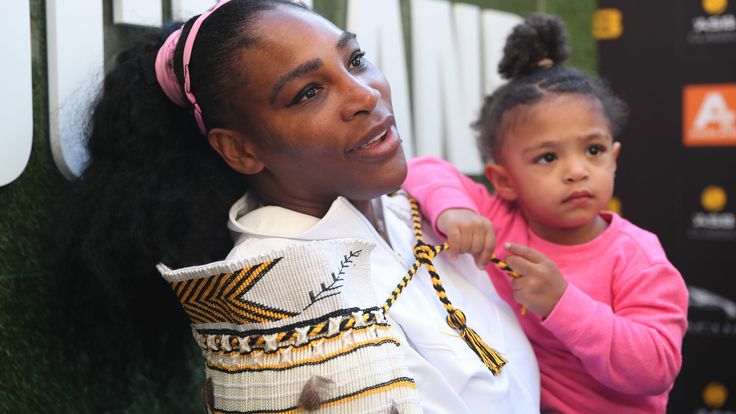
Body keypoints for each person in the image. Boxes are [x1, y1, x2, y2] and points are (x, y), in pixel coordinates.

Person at [54, 1, 540, 412]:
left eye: (355, 60)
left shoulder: (414, 210)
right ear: (241, 149)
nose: (365, 95)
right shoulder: (274, 313)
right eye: (308, 92)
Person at [403, 13, 688, 414]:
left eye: (593, 150)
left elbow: (656, 366)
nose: (576, 171)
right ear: (503, 180)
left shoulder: (637, 255)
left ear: (614, 158)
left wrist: (563, 304)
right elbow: (420, 168)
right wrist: (454, 210)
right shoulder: (498, 218)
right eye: (547, 157)